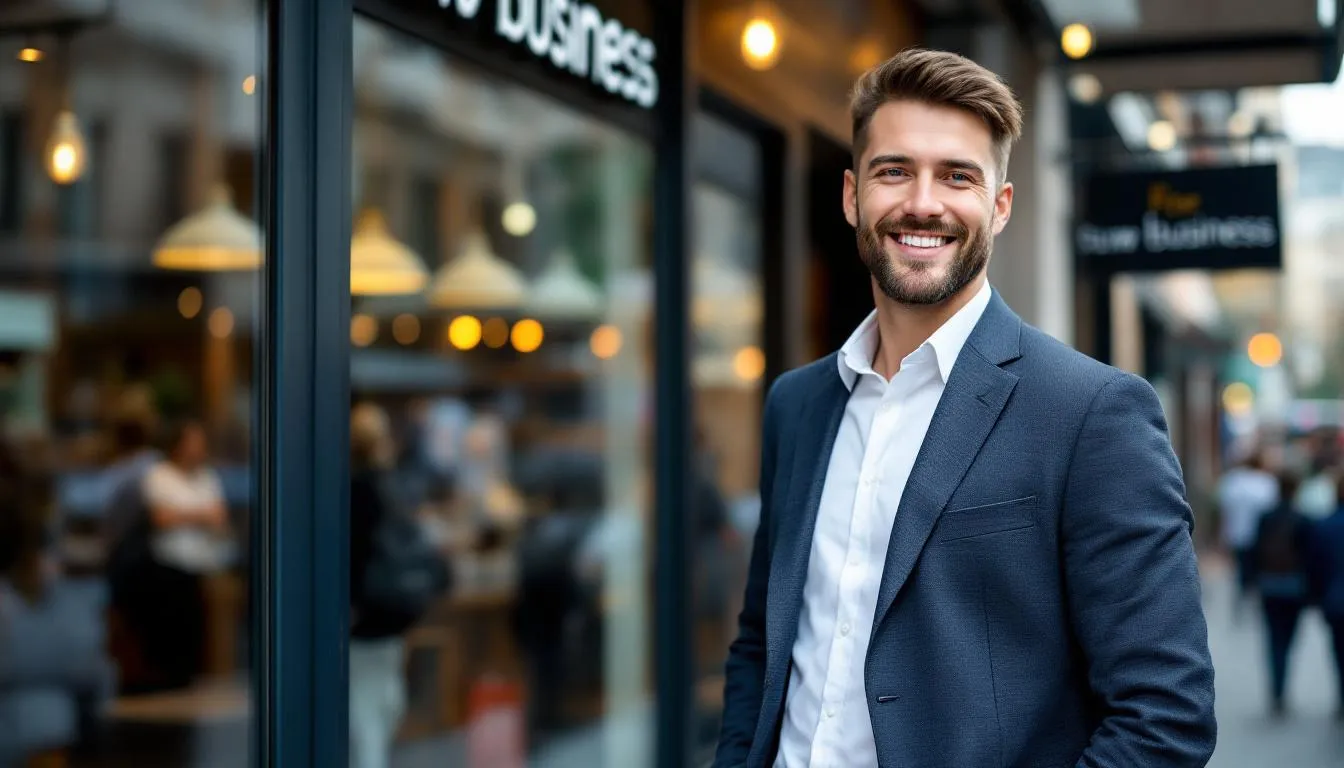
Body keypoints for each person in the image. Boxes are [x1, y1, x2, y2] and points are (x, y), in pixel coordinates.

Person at [713, 49, 1215, 768]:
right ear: (853, 196)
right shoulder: (798, 405)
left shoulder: (1092, 413)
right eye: (894, 171)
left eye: (957, 175)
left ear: (999, 206)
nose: (923, 202)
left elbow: (1166, 717)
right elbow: (763, 641)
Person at [1251, 471, 1313, 716]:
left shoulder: (1266, 517)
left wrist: (1253, 581)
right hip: (1294, 587)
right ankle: (1282, 688)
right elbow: (1310, 558)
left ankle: (1276, 690)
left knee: (1273, 639)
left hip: (1270, 586)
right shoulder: (1303, 519)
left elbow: (1255, 552)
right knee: (1288, 640)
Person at [1217, 449, 1279, 616]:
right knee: (1257, 570)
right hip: (1260, 536)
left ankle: (1241, 601)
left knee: (1241, 570)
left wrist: (1223, 535)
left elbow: (1224, 511)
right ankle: (1255, 601)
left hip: (1237, 534)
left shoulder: (1232, 481)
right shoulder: (1266, 482)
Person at [1307, 472, 1344, 720]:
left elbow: (1315, 567)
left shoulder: (1324, 525)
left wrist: (1316, 597)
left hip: (1335, 601)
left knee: (1340, 652)